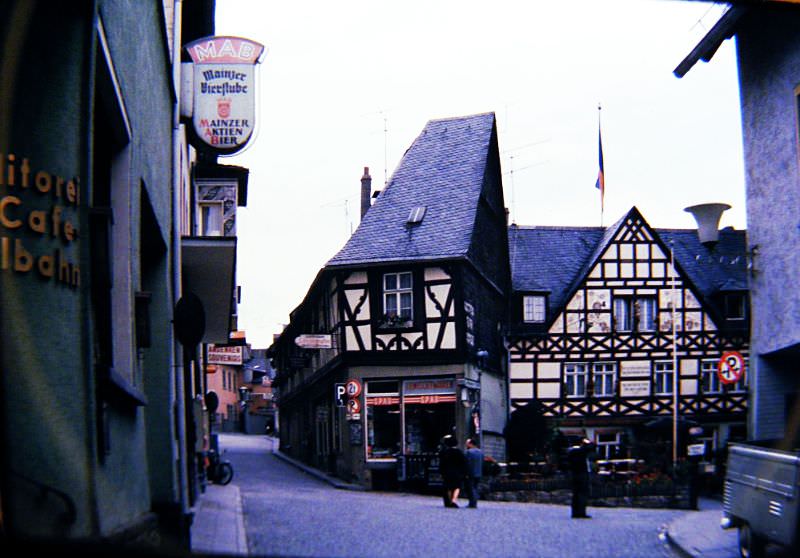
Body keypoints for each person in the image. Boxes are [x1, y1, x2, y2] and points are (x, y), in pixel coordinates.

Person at [567, 437, 594, 518]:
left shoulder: (571, 451)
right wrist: (587, 441)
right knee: (582, 493)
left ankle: (575, 512)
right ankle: (581, 512)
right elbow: (592, 446)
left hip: (574, 474)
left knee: (575, 494)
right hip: (582, 474)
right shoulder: (580, 451)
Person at [438, 434, 466, 508]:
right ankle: (454, 500)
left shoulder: (445, 452)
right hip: (457, 473)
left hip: (447, 472)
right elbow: (464, 463)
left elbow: (442, 463)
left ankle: (450, 501)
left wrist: (441, 472)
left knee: (449, 487)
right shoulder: (459, 452)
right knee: (457, 487)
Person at [464, 438, 484, 508]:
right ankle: (474, 502)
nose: (466, 444)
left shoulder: (468, 452)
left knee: (470, 488)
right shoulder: (481, 452)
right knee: (475, 487)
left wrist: (466, 472)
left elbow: (467, 463)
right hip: (478, 472)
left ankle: (472, 502)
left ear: (471, 444)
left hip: (470, 473)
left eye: (467, 443)